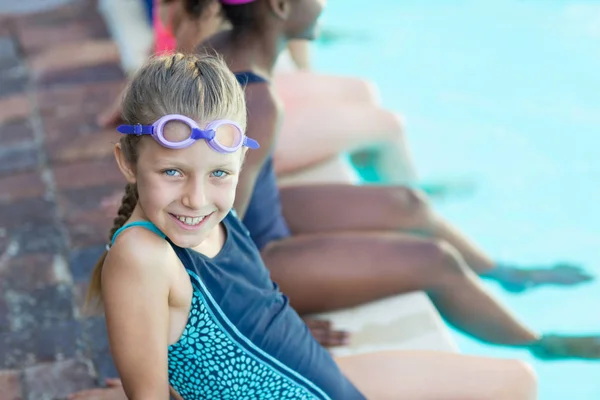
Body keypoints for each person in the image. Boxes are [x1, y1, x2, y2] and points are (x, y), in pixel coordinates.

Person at [82, 51, 537, 400]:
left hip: (320, 375)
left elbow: (234, 310)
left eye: (218, 173)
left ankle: (543, 341)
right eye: (172, 172)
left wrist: (278, 327)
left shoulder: (214, 216)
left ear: (241, 162)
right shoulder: (143, 257)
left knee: (519, 380)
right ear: (127, 161)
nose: (197, 198)